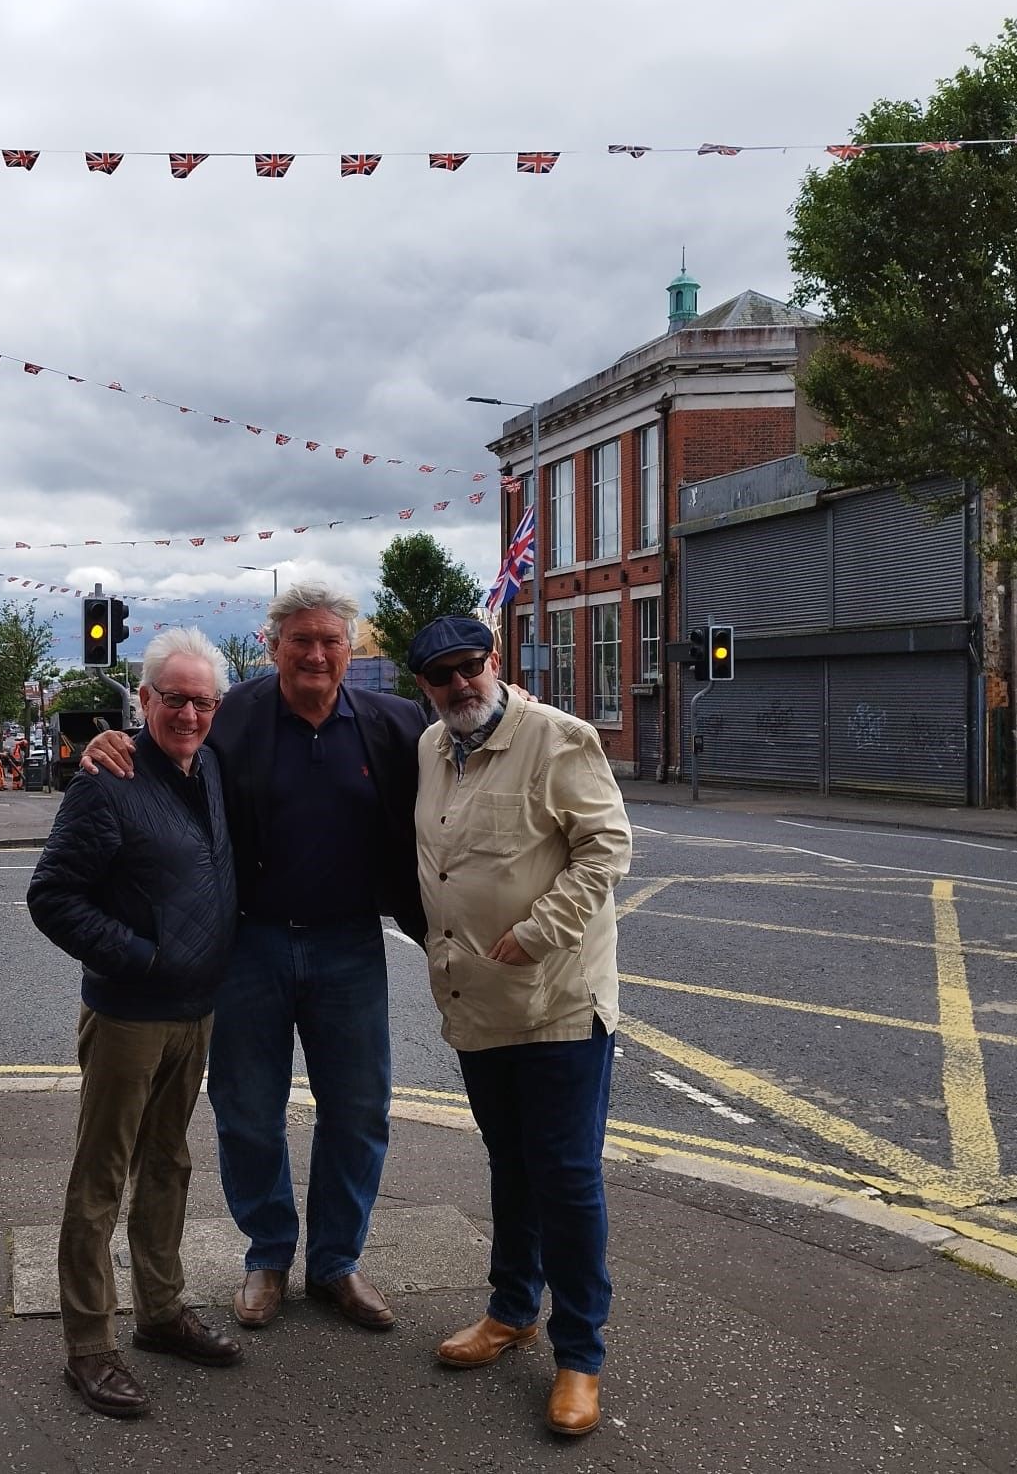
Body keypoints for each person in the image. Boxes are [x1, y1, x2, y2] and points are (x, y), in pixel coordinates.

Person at [84, 582, 426, 1333]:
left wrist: (518, 706)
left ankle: (336, 1262)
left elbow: (472, 750)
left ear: (348, 649)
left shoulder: (396, 723)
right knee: (247, 1112)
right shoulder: (229, 716)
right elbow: (160, 749)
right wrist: (105, 742)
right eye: (298, 640)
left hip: (350, 947)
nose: (314, 653)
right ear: (271, 648)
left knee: (359, 1111)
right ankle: (268, 1254)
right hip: (250, 945)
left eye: (329, 641)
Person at [406, 615, 633, 1438]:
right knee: (511, 1164)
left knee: (566, 1177)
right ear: (424, 687)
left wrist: (536, 929)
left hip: (557, 1001)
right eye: (442, 676)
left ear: (494, 663)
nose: (460, 685)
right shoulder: (432, 747)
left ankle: (580, 1356)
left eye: (471, 667)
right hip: (477, 1003)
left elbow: (606, 850)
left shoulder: (559, 738)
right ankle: (511, 1312)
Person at [26, 628, 243, 1419]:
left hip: (196, 1011)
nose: (189, 713)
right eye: (173, 698)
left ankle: (160, 1312)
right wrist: (140, 958)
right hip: (129, 1014)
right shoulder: (106, 781)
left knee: (170, 1165)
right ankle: (89, 1346)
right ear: (144, 700)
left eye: (202, 701)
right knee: (100, 1179)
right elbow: (51, 897)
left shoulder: (212, 766)